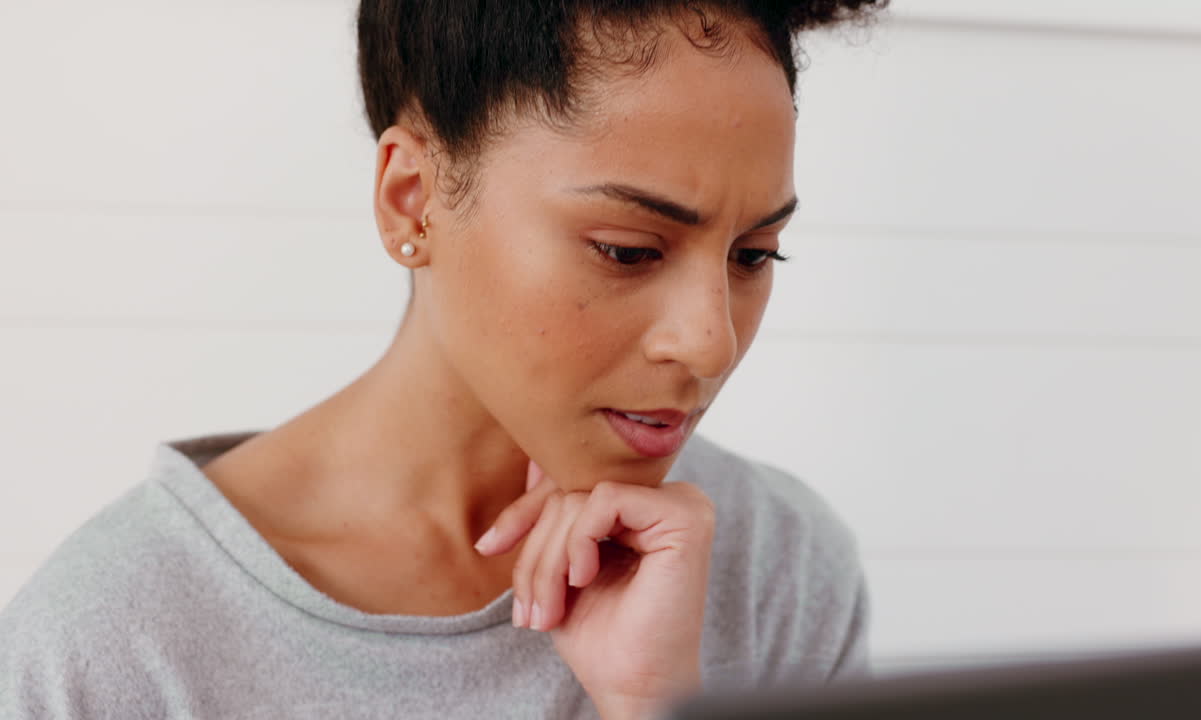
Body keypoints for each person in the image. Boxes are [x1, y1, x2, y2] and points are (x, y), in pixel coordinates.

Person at [0, 1, 886, 718]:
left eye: (754, 254)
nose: (709, 343)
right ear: (411, 200)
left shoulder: (775, 565)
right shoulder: (111, 648)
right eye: (627, 249)